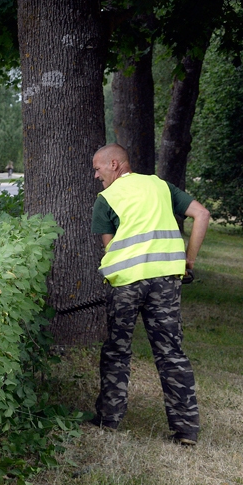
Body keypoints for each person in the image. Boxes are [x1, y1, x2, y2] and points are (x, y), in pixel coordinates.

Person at [89, 143, 210, 446]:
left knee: (117, 351)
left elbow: (110, 247)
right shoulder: (160, 186)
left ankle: (109, 419)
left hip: (127, 284)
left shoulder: (106, 199)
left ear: (114, 164)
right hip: (166, 282)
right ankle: (186, 430)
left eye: (98, 167)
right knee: (171, 353)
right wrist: (189, 260)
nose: (95, 175)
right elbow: (202, 215)